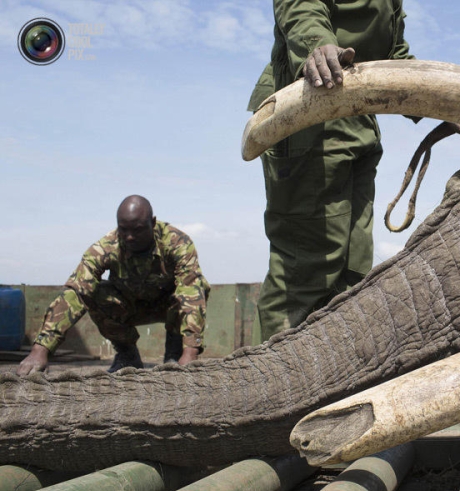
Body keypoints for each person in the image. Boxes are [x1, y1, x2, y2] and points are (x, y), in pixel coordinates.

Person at [248, 0, 417, 340]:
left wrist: (458, 109)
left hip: (359, 121)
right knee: (306, 269)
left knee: (354, 273)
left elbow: (394, 53)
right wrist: (318, 46)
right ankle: (270, 371)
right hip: (307, 111)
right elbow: (301, 7)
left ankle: (335, 369)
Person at [17, 195, 210, 375]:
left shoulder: (177, 242)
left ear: (152, 223)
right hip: (129, 307)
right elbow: (75, 292)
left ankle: (175, 355)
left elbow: (191, 291)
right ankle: (127, 355)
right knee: (94, 293)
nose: (129, 237)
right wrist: (41, 349)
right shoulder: (105, 247)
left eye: (138, 229)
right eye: (123, 229)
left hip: (168, 307)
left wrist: (191, 351)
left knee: (196, 286)